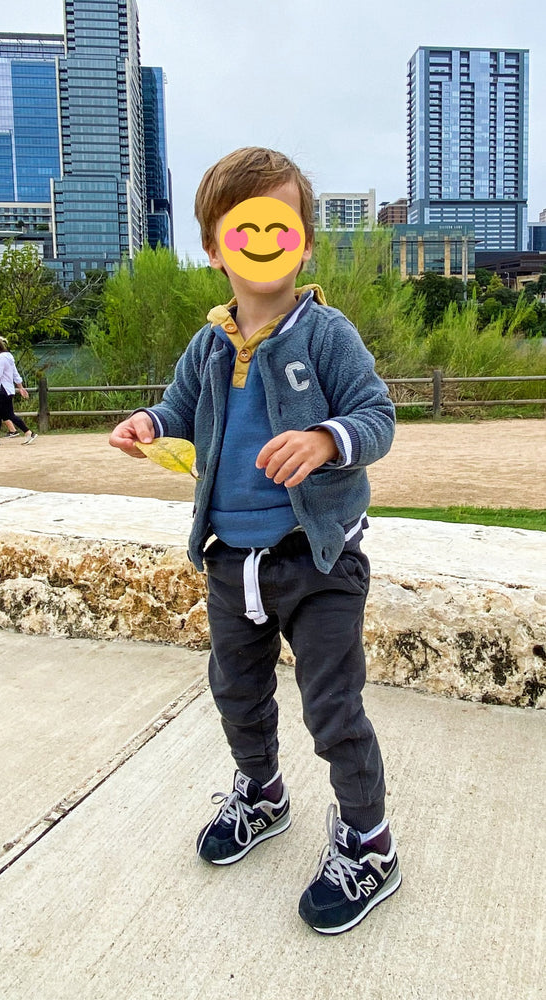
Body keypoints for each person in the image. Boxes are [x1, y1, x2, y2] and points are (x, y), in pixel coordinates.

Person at [108, 147, 398, 935]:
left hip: (318, 559)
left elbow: (379, 418)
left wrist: (327, 439)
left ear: (303, 240)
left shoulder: (327, 333)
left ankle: (368, 842)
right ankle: (262, 795)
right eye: (246, 226)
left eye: (283, 224)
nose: (266, 239)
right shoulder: (208, 345)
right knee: (236, 692)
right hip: (230, 560)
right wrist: (150, 424)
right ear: (213, 246)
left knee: (333, 708)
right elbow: (178, 408)